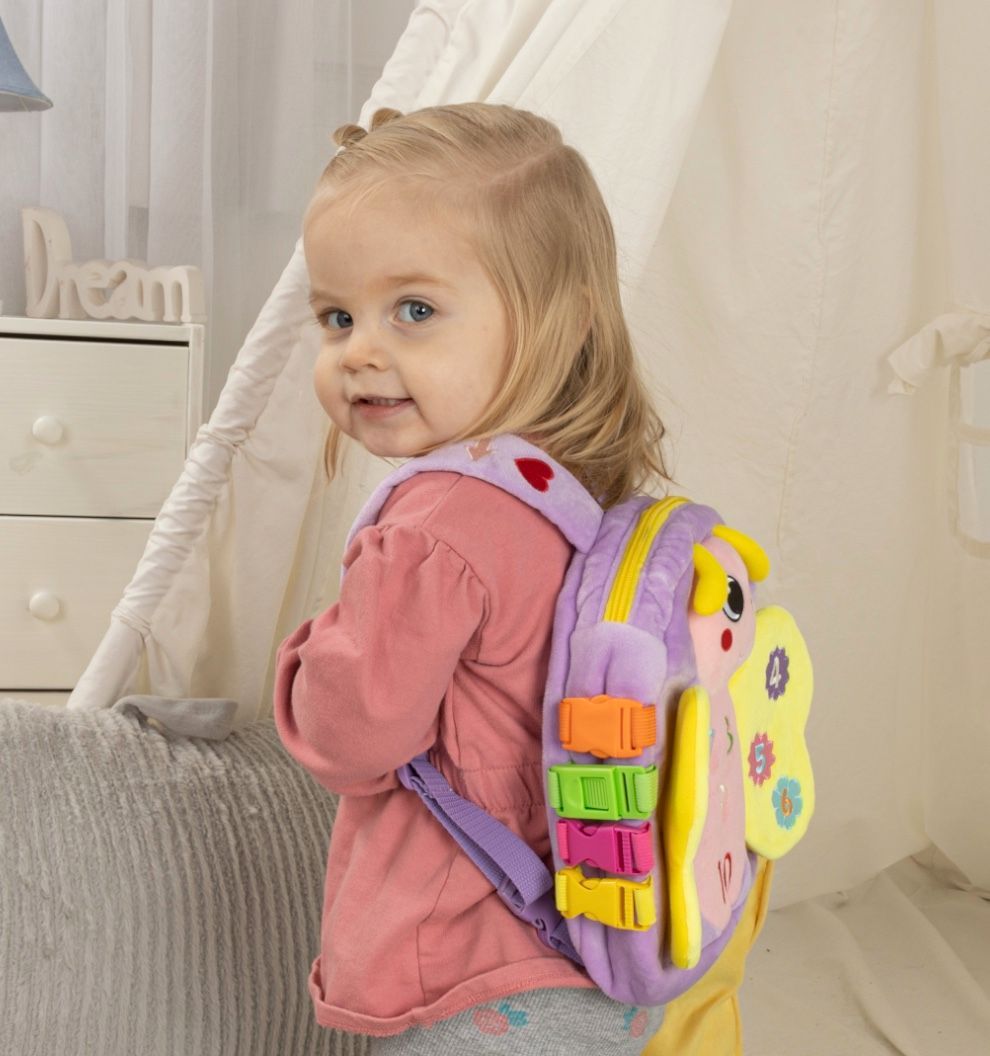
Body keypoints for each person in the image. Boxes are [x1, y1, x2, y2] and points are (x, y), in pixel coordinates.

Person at [273, 101, 672, 1055]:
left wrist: (304, 655)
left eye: (414, 310)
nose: (361, 349)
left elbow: (348, 736)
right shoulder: (569, 495)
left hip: (478, 975)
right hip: (597, 940)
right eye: (338, 315)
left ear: (555, 322)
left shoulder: (435, 527)